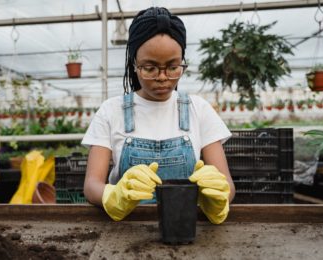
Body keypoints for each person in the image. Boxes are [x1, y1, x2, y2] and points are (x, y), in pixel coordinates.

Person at [82, 7, 235, 224]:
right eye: (150, 68)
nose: (162, 77)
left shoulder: (198, 109)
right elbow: (91, 185)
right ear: (134, 64)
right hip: (127, 230)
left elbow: (227, 184)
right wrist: (112, 195)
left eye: (173, 67)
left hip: (185, 227)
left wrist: (218, 197)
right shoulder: (111, 110)